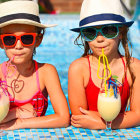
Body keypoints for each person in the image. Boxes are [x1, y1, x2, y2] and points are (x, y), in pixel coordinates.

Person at [68, 0, 140, 129]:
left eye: (108, 30)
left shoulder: (134, 67)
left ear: (121, 33)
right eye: (90, 32)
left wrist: (101, 123)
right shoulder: (79, 68)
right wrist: (127, 119)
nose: (100, 39)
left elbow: (139, 115)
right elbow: (79, 117)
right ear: (83, 36)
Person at [0, 0, 70, 130]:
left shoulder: (46, 72)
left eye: (27, 38)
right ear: (1, 42)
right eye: (10, 39)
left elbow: (64, 118)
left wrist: (20, 123)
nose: (19, 46)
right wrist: (17, 112)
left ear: (38, 40)